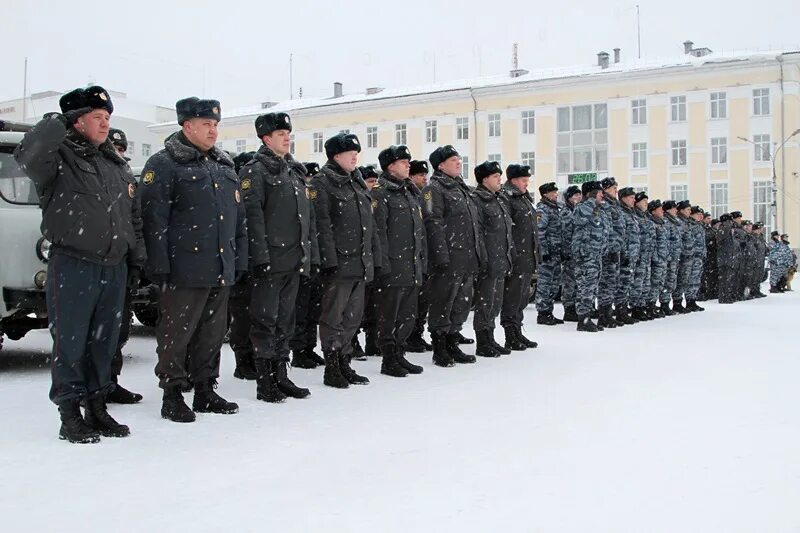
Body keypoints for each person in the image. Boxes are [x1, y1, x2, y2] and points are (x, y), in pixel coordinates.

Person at [15, 86, 145, 443]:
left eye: (108, 118)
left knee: (104, 343)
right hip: (75, 264)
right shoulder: (58, 158)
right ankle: (69, 413)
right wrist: (57, 122)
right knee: (71, 343)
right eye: (98, 118)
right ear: (77, 121)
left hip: (113, 267)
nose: (105, 125)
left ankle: (97, 406)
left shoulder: (113, 163)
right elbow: (27, 155)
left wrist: (134, 262)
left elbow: (129, 218)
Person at [140, 97, 246, 423]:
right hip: (183, 268)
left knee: (212, 333)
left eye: (215, 125)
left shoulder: (224, 166)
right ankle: (172, 392)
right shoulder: (164, 164)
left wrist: (238, 259)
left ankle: (205, 389)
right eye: (206, 125)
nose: (213, 131)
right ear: (187, 126)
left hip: (220, 266)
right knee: (176, 333)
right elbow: (152, 220)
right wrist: (159, 266)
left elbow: (237, 219)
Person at [240, 112, 317, 403]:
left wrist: (306, 256)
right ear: (265, 138)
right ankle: (264, 380)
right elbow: (253, 217)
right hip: (270, 262)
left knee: (285, 320)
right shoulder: (255, 171)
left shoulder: (293, 171)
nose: (287, 137)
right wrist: (259, 258)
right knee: (265, 321)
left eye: (288, 133)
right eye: (281, 133)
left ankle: (281, 374)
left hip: (292, 260)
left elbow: (304, 220)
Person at [311, 133, 380, 388]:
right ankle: (331, 366)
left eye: (356, 153)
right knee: (333, 317)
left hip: (359, 263)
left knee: (352, 317)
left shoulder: (358, 183)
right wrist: (329, 261)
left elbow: (369, 226)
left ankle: (344, 361)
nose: (355, 157)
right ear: (335, 155)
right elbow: (322, 225)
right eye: (350, 153)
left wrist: (373, 259)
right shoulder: (322, 183)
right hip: (339, 264)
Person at [422, 145, 484, 366]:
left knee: (461, 304)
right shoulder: (434, 189)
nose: (459, 162)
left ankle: (452, 342)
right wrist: (440, 255)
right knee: (443, 302)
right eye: (453, 160)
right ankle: (440, 347)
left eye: (459, 158)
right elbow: (432, 222)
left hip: (466, 258)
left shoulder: (462, 189)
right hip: (448, 259)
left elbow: (474, 226)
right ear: (440, 165)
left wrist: (478, 254)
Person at [371, 145, 426, 376]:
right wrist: (383, 264)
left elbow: (418, 231)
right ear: (391, 166)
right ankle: (389, 358)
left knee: (407, 314)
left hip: (410, 264)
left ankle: (400, 352)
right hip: (393, 266)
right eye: (404, 162)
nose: (408, 165)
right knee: (389, 314)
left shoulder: (410, 192)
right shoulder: (380, 193)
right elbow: (378, 233)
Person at [105, 127, 145, 404]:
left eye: (121, 149)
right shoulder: (98, 174)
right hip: (100, 261)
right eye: (113, 148)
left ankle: (110, 381)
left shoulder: (126, 176)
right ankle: (91, 387)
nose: (118, 153)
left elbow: (136, 223)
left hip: (124, 262)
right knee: (97, 332)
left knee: (118, 330)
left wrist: (138, 259)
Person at [471, 161, 514, 358]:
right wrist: (483, 258)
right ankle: (483, 341)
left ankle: (490, 337)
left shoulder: (498, 199)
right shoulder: (478, 200)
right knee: (485, 302)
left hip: (500, 259)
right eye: (495, 176)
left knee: (495, 302)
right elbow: (477, 233)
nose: (499, 180)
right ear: (485, 179)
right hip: (488, 260)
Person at [290, 162, 326, 369]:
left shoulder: (307, 196)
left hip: (312, 257)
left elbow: (313, 227)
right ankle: (298, 350)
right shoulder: (305, 195)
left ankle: (309, 348)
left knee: (313, 309)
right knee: (300, 310)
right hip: (300, 259)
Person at [500, 164, 539, 349]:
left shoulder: (523, 198)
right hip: (516, 256)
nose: (526, 184)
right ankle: (510, 334)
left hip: (527, 256)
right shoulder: (507, 197)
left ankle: (517, 330)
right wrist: (512, 253)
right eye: (524, 180)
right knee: (513, 296)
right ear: (514, 180)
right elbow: (506, 229)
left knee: (522, 297)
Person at [228, 151, 258, 381]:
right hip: (239, 263)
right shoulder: (235, 192)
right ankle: (242, 359)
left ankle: (250, 356)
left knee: (253, 314)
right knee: (241, 315)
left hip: (253, 261)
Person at [572, 180, 607, 332]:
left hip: (595, 255)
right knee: (585, 287)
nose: (602, 196)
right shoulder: (583, 207)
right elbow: (581, 220)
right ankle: (583, 320)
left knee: (591, 288)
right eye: (599, 193)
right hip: (586, 256)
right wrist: (592, 200)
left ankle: (587, 317)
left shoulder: (597, 209)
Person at [406, 159, 432, 352]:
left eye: (425, 174)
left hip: (423, 254)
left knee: (422, 301)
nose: (425, 178)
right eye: (420, 175)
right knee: (410, 302)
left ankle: (417, 334)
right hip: (410, 256)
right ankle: (409, 337)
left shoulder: (423, 196)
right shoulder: (410, 195)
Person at [535, 182, 564, 325]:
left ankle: (549, 311)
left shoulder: (555, 209)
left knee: (554, 284)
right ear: (545, 194)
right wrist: (544, 252)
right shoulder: (543, 209)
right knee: (544, 284)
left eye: (556, 192)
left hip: (556, 253)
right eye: (553, 192)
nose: (556, 194)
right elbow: (540, 232)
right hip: (547, 255)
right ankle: (542, 313)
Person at [597, 177, 624, 328]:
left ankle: (608, 312)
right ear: (606, 189)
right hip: (608, 251)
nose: (616, 191)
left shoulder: (615, 205)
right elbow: (607, 230)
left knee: (612, 282)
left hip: (616, 249)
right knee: (606, 283)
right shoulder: (604, 205)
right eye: (614, 188)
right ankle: (603, 314)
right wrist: (611, 248)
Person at [615, 187, 641, 325]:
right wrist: (623, 253)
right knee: (621, 284)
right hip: (624, 255)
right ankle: (620, 311)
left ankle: (623, 310)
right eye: (631, 197)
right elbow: (620, 236)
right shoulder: (621, 213)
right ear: (623, 198)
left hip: (632, 255)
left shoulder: (631, 213)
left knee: (627, 284)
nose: (634, 200)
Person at [559, 185, 582, 322]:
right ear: (568, 198)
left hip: (578, 253)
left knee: (578, 281)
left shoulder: (578, 211)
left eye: (579, 195)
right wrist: (566, 252)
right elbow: (566, 234)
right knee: (569, 282)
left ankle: (575, 307)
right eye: (575, 195)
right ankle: (569, 309)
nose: (578, 197)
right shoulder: (566, 212)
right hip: (569, 253)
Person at [631, 191, 655, 321]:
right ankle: (635, 308)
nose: (646, 203)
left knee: (645, 283)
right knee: (637, 283)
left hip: (646, 255)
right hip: (638, 255)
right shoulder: (635, 216)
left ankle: (641, 306)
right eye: (643, 201)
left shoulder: (645, 217)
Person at [672, 200, 696, 312]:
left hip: (689, 256)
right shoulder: (679, 222)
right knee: (680, 280)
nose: (690, 212)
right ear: (681, 210)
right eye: (688, 210)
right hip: (683, 257)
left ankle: (689, 301)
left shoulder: (687, 222)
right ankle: (677, 302)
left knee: (687, 280)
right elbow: (679, 240)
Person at [648, 200, 670, 319]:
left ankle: (654, 304)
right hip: (656, 259)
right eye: (659, 209)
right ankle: (650, 305)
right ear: (653, 211)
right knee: (654, 283)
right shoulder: (652, 223)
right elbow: (652, 243)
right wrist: (655, 258)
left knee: (660, 283)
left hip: (663, 258)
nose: (662, 211)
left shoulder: (662, 223)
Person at [661, 200, 683, 314]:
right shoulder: (666, 222)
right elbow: (666, 240)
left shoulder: (675, 222)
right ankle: (664, 304)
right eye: (674, 208)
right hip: (669, 257)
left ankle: (668, 303)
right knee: (667, 281)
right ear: (668, 210)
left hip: (675, 256)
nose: (676, 210)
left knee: (672, 281)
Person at [684, 206, 707, 311]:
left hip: (699, 257)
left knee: (696, 280)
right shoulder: (689, 225)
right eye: (697, 214)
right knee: (690, 279)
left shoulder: (699, 226)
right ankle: (689, 301)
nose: (700, 216)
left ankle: (693, 299)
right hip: (692, 257)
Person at [749, 222, 768, 298]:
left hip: (761, 258)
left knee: (759, 276)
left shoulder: (760, 237)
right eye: (758, 229)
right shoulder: (753, 237)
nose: (760, 231)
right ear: (754, 230)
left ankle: (757, 290)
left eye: (760, 229)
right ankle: (753, 291)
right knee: (754, 277)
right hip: (756, 259)